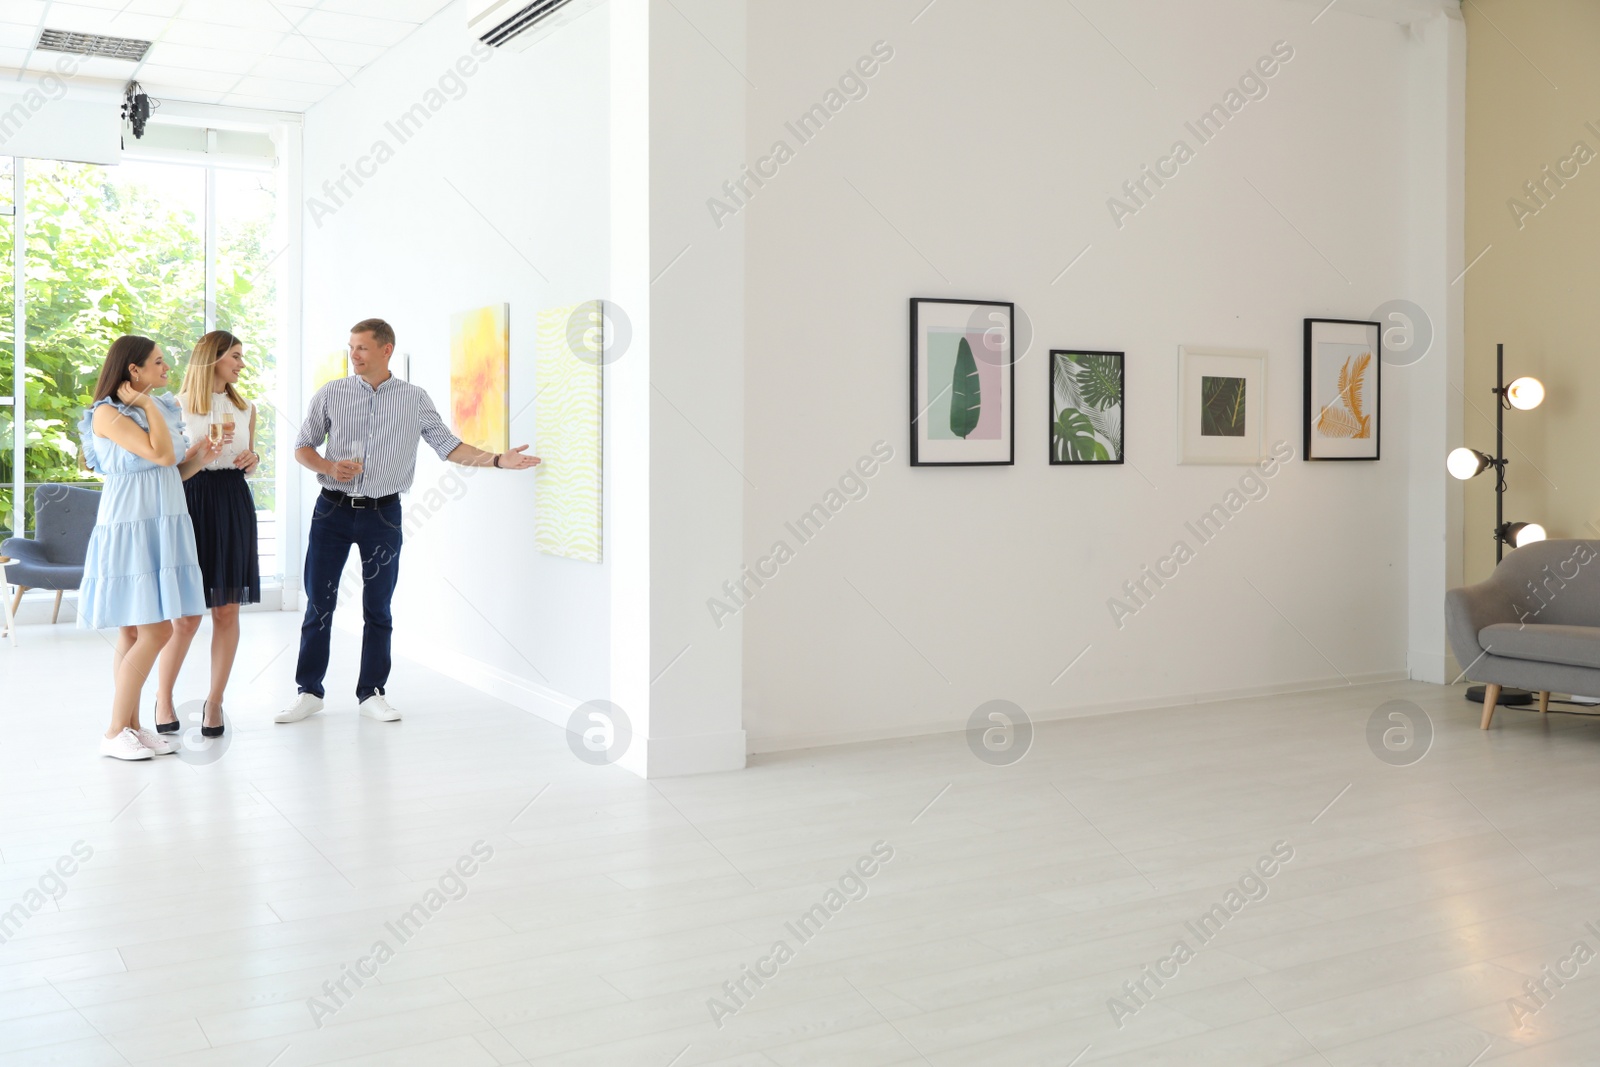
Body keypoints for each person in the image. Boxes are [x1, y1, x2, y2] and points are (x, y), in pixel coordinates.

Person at [277, 318, 539, 725]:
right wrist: (329, 465)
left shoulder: (414, 398)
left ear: (386, 350)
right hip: (331, 510)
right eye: (351, 347)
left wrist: (498, 460)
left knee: (378, 606)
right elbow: (302, 447)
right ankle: (309, 691)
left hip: (384, 514)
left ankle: (372, 692)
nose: (354, 355)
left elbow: (448, 447)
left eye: (362, 348)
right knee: (320, 603)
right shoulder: (332, 392)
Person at [78, 335, 220, 760]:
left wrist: (199, 458)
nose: (167, 369)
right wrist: (142, 405)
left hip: (162, 518)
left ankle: (133, 727)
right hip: (131, 524)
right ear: (133, 370)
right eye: (158, 362)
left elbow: (170, 471)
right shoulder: (107, 414)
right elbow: (158, 455)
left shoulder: (158, 407)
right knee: (156, 629)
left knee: (134, 630)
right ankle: (113, 731)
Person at [153, 331, 263, 740]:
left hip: (233, 499)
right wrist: (200, 453)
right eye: (236, 356)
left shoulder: (246, 407)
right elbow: (168, 466)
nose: (241, 364)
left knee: (227, 611)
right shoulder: (175, 407)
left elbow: (247, 459)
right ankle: (163, 698)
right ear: (212, 358)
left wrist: (251, 460)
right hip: (191, 500)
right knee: (185, 618)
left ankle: (214, 703)